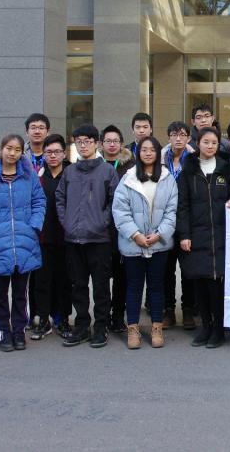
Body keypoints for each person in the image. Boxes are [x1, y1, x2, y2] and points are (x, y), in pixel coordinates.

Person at [0, 134, 46, 352]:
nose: (12, 153)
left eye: (17, 150)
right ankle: (4, 331)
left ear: (22, 152)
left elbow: (39, 201)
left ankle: (19, 331)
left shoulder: (28, 176)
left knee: (21, 292)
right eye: (9, 148)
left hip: (25, 241)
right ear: (1, 148)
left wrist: (34, 226)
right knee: (0, 293)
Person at [56, 124, 119, 349]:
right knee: (78, 286)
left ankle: (101, 327)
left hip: (99, 239)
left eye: (88, 141)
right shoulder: (70, 172)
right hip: (73, 239)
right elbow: (60, 199)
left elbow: (115, 202)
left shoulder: (108, 171)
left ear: (97, 143)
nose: (83, 146)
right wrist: (66, 222)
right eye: (79, 142)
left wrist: (101, 222)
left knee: (101, 287)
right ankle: (82, 326)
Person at [177, 127, 230, 349]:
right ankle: (205, 326)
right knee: (199, 282)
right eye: (206, 142)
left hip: (220, 234)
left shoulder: (225, 168)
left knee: (216, 284)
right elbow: (182, 205)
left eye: (214, 142)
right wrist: (184, 235)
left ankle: (218, 330)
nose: (210, 146)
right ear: (198, 144)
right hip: (196, 235)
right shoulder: (188, 170)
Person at [112, 137, 178, 349]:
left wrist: (160, 234)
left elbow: (172, 211)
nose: (148, 153)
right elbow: (120, 211)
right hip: (134, 244)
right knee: (134, 286)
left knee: (156, 286)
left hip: (159, 243)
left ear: (158, 153)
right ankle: (133, 328)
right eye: (144, 149)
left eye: (152, 150)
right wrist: (135, 235)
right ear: (138, 153)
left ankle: (156, 327)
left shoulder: (167, 178)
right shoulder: (128, 178)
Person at [33, 133, 72, 340]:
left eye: (57, 152)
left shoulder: (71, 174)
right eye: (49, 152)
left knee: (64, 281)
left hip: (67, 238)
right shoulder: (38, 176)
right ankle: (43, 319)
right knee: (42, 281)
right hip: (42, 238)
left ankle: (63, 319)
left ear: (64, 154)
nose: (53, 156)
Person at [161, 120, 195, 330]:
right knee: (166, 270)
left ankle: (188, 309)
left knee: (188, 269)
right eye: (174, 134)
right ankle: (168, 310)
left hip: (186, 220)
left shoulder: (194, 160)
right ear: (169, 137)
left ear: (189, 138)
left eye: (182, 134)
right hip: (164, 221)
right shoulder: (160, 159)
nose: (178, 138)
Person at [101, 124, 134, 334]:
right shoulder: (95, 164)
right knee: (102, 277)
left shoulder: (130, 167)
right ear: (101, 144)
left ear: (121, 143)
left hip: (122, 229)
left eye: (116, 141)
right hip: (100, 229)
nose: (112, 144)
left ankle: (118, 316)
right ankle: (103, 315)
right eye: (108, 141)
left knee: (122, 277)